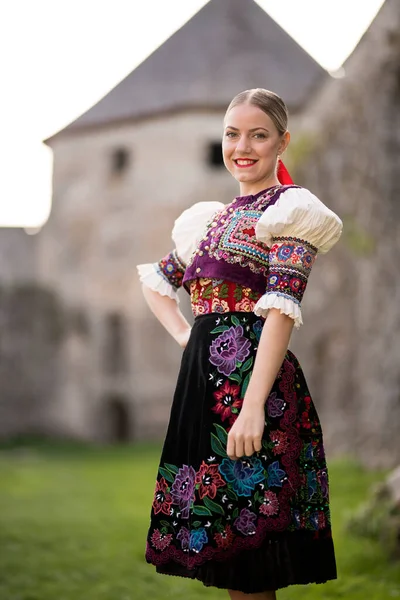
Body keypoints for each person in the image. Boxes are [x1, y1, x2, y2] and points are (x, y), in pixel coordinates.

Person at [137, 88, 343, 599]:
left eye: (258, 134)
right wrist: (188, 337)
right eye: (232, 134)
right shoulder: (209, 220)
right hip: (203, 391)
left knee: (251, 557)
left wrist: (252, 407)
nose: (242, 146)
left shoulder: (291, 209)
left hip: (255, 389)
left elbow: (280, 311)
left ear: (282, 143)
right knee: (229, 555)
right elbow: (157, 282)